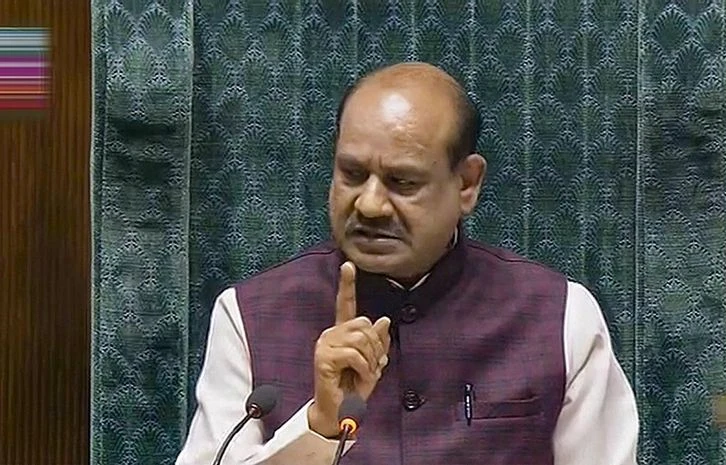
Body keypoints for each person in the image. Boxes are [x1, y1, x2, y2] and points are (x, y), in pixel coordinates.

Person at [176, 61, 639, 465]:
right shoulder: (249, 315)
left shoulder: (560, 316)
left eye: (402, 181)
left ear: (467, 184)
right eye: (353, 174)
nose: (371, 204)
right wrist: (318, 428)